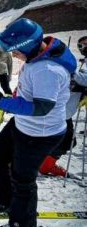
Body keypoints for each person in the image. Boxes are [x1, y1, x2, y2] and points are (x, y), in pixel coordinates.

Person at [0, 18, 76, 227]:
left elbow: (41, 108)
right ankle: (6, 201)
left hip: (40, 133)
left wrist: (0, 102)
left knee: (22, 179)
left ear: (26, 46)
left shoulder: (47, 70)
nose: (13, 56)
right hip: (22, 124)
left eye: (15, 52)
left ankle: (22, 226)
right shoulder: (35, 59)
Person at [38, 35, 87, 177]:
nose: (83, 48)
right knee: (65, 140)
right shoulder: (74, 63)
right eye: (81, 46)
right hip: (61, 108)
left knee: (64, 139)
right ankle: (45, 165)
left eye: (85, 45)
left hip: (65, 108)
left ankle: (45, 164)